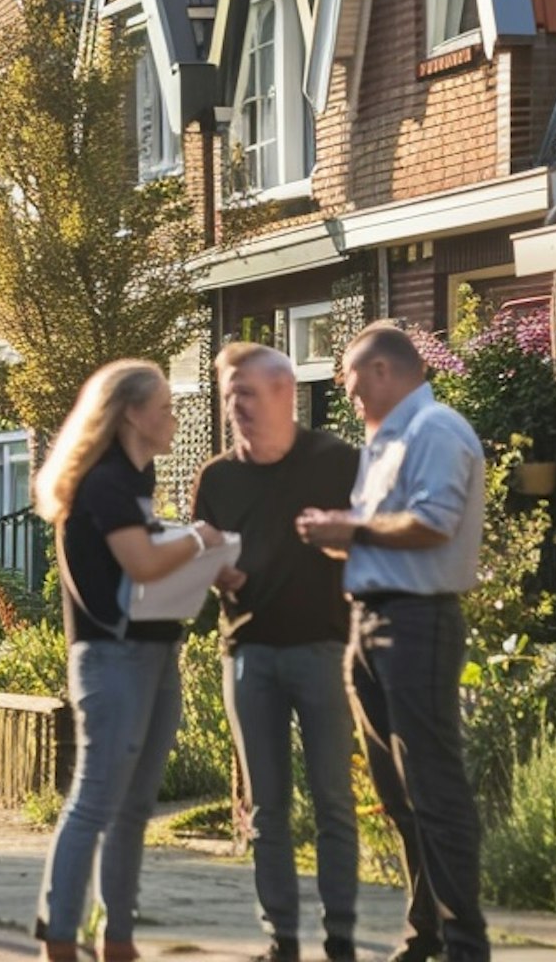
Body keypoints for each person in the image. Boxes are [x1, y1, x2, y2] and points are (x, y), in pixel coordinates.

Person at [295, 323, 490, 962]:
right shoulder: (387, 441)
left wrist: (351, 529)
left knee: (433, 785)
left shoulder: (435, 432)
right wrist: (339, 535)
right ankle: (426, 931)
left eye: (349, 382)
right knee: (398, 792)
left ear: (382, 371)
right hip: (372, 623)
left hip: (417, 623)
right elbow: (380, 531)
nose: (346, 395)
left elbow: (432, 524)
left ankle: (466, 943)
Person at [32, 360, 229, 962]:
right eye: (165, 406)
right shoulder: (105, 484)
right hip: (114, 661)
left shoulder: (134, 483)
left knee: (136, 807)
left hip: (154, 654)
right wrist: (201, 539)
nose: (173, 416)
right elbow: (142, 564)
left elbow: (143, 565)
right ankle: (60, 938)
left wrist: (208, 558)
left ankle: (117, 938)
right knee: (95, 802)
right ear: (131, 415)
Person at [194, 343, 363, 962]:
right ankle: (281, 943)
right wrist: (215, 572)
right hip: (249, 655)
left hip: (325, 649)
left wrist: (342, 539)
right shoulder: (216, 478)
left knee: (333, 803)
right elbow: (203, 556)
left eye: (247, 393)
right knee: (266, 809)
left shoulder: (337, 461)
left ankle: (340, 940)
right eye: (229, 395)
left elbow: (374, 542)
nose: (235, 406)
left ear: (286, 394)